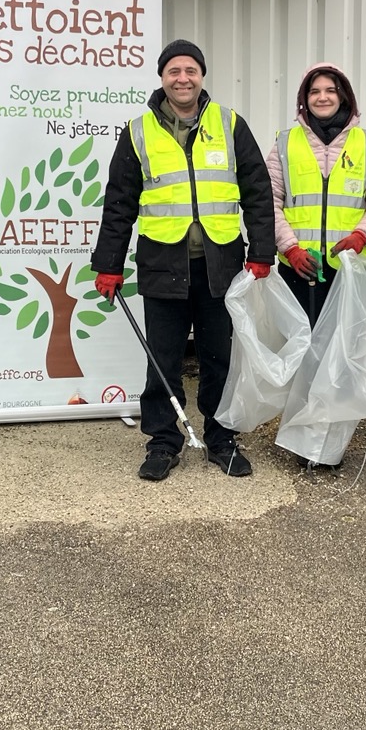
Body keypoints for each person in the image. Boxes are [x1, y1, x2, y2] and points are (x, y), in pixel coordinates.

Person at [91, 40, 276, 482]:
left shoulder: (230, 124)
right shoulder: (138, 132)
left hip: (220, 263)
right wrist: (109, 263)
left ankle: (221, 437)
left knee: (218, 357)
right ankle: (162, 441)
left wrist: (262, 251)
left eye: (190, 70)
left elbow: (257, 192)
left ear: (202, 76)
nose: (183, 79)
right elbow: (119, 203)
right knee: (163, 356)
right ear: (162, 78)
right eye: (174, 71)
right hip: (162, 262)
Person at [265, 63, 366, 325]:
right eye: (314, 91)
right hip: (298, 269)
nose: (322, 97)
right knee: (301, 353)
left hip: (350, 270)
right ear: (304, 99)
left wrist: (361, 236)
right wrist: (290, 249)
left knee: (346, 354)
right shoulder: (284, 143)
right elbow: (269, 203)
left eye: (330, 90)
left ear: (343, 95)